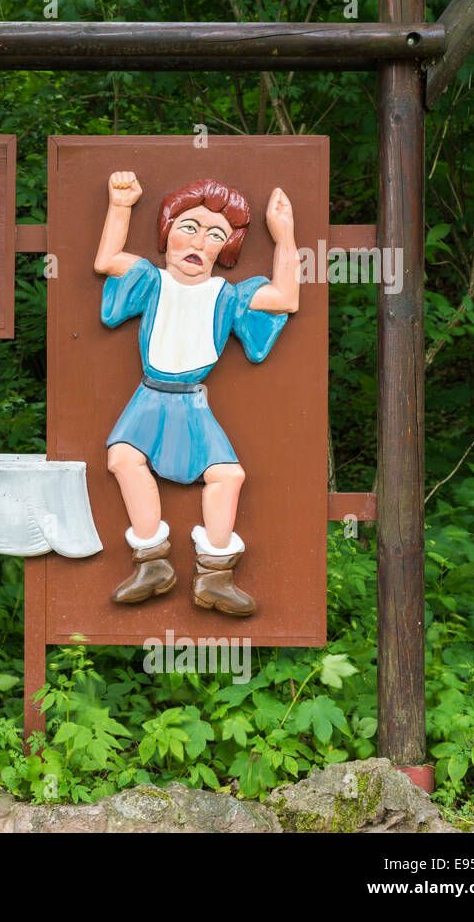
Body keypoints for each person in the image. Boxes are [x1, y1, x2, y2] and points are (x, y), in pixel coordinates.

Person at [93, 172, 299, 616]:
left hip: (191, 401)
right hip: (150, 396)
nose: (200, 242)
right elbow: (108, 260)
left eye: (216, 235)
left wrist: (284, 238)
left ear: (224, 250)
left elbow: (284, 297)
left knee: (228, 476)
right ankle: (152, 562)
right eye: (189, 227)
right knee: (123, 458)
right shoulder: (151, 279)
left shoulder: (228, 295)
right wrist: (121, 205)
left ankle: (216, 576)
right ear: (167, 234)